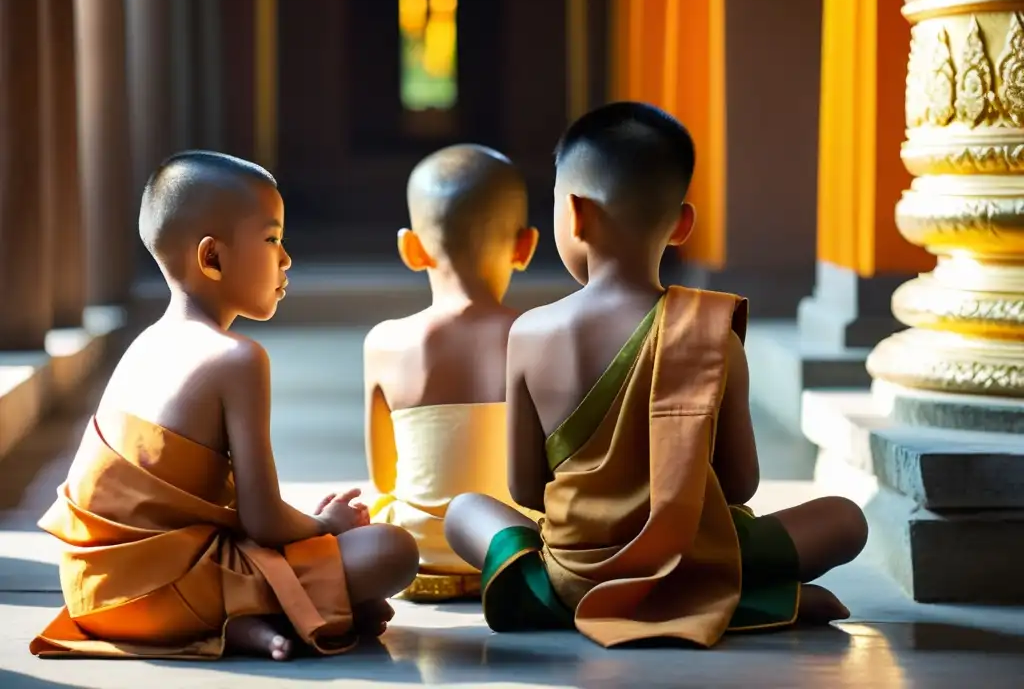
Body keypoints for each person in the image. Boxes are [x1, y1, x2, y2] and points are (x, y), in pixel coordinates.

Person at [443, 103, 869, 648]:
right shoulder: (713, 329)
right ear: (683, 225)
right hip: (697, 562)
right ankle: (731, 595)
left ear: (573, 214)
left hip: (572, 575)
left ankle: (555, 598)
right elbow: (741, 485)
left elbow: (526, 488)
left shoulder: (530, 332)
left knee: (464, 511)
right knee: (844, 519)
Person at [30, 151, 418, 660]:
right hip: (165, 590)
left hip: (95, 593)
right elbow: (263, 523)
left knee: (329, 561)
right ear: (211, 258)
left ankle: (263, 615)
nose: (286, 259)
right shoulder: (239, 359)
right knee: (392, 550)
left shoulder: (142, 345)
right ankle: (255, 616)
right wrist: (327, 527)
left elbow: (207, 518)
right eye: (273, 239)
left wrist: (305, 529)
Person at [364, 144, 541, 602]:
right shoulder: (542, 337)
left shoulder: (386, 342)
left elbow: (385, 478)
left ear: (412, 248)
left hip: (419, 553)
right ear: (525, 246)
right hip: (518, 546)